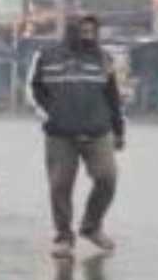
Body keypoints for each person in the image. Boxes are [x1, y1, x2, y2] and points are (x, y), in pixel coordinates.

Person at [28, 15, 126, 258]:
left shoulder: (105, 59)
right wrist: (50, 116)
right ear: (72, 31)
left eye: (93, 31)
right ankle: (63, 237)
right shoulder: (46, 56)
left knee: (107, 178)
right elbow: (32, 89)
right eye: (83, 30)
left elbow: (113, 97)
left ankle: (91, 227)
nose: (89, 35)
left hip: (98, 132)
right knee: (60, 186)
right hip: (60, 135)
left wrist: (119, 130)